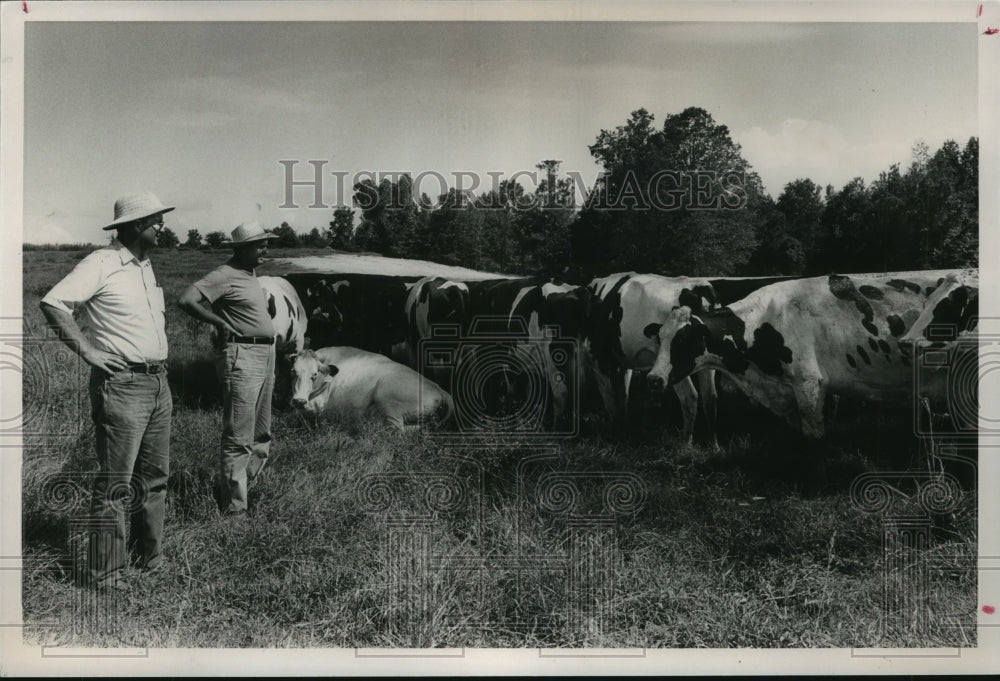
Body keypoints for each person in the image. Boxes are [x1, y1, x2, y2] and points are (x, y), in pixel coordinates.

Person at [40, 191, 174, 590]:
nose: (161, 226)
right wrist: (89, 352)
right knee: (116, 482)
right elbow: (54, 303)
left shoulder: (144, 267)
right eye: (155, 221)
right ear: (135, 226)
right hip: (123, 386)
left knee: (156, 477)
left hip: (157, 383)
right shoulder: (102, 262)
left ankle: (150, 558)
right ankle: (106, 573)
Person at [177, 221, 278, 516]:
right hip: (242, 355)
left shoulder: (250, 274)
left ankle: (246, 490)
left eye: (266, 243)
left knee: (262, 433)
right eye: (260, 245)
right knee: (238, 437)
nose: (266, 249)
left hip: (264, 353)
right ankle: (234, 511)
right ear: (242, 248)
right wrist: (218, 322)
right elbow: (186, 299)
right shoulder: (225, 274)